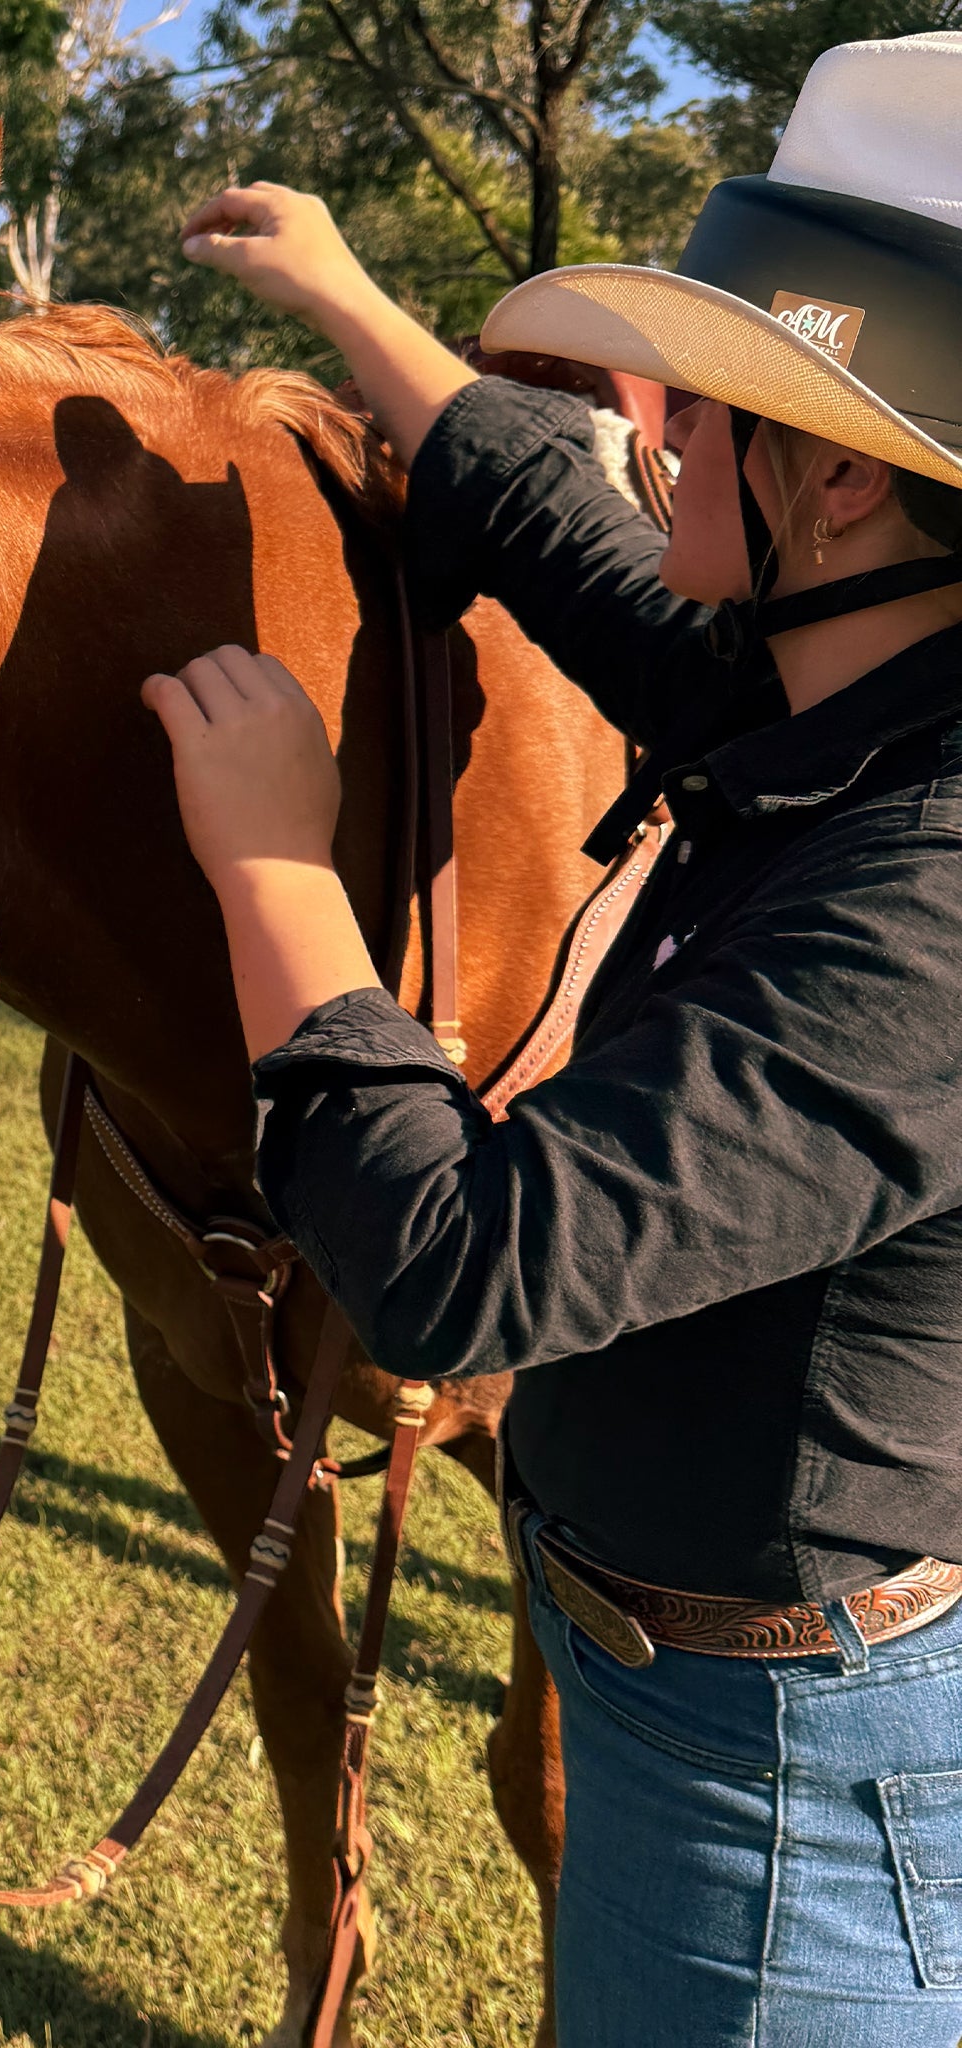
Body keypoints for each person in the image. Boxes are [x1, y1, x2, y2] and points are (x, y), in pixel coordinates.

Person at [142, 30, 962, 2048]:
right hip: (710, 1707)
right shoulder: (837, 701)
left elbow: (459, 1266)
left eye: (708, 406)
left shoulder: (933, 884)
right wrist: (342, 296)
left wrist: (269, 866)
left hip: (790, 1812)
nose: (646, 430)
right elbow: (565, 538)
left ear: (837, 477)